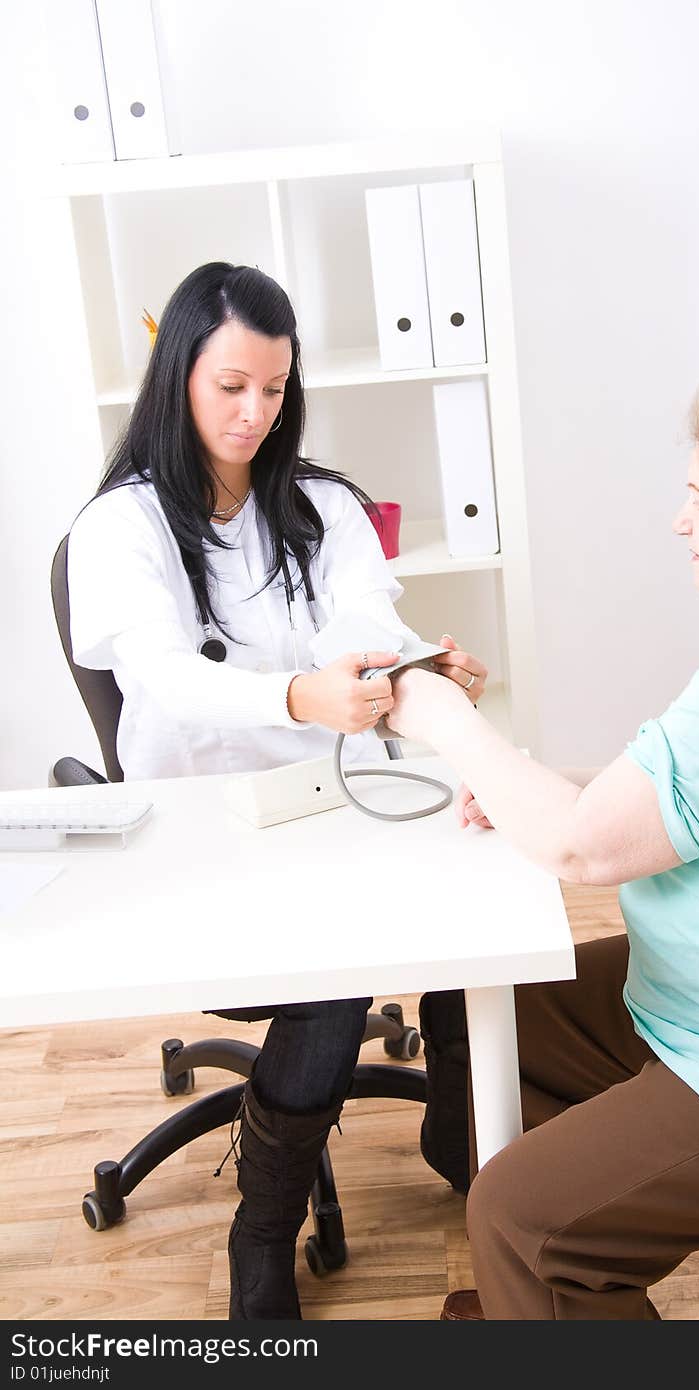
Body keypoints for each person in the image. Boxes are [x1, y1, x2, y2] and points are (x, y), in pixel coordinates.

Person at [388, 369, 699, 1320]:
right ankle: (532, 1308)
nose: (679, 521)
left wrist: (448, 721)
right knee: (479, 1016)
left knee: (523, 1222)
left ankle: (542, 1274)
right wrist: (542, 785)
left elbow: (581, 853)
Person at [65, 261, 486, 1320]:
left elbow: (357, 617)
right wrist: (301, 692)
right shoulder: (123, 529)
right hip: (208, 835)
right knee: (332, 973)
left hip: (335, 801)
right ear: (178, 380)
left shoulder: (324, 505)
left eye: (276, 388)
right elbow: (162, 675)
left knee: (477, 895)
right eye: (231, 386)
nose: (256, 412)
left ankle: (461, 1133)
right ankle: (262, 1229)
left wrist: (395, 667)